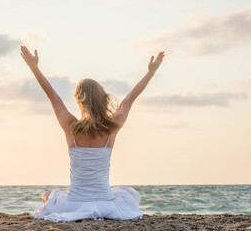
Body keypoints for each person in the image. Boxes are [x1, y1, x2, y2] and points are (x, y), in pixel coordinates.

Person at [20, 46, 165, 222]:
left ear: (80, 101)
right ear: (102, 99)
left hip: (74, 203)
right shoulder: (111, 127)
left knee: (47, 195)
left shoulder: (71, 127)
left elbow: (53, 95)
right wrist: (151, 72)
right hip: (106, 202)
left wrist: (34, 67)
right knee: (128, 194)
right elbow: (129, 99)